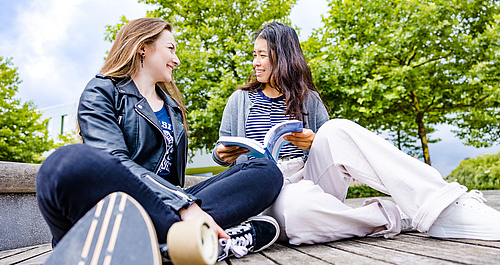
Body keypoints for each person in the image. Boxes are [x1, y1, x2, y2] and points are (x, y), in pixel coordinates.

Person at [212, 22, 500, 245]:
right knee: (297, 216)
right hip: (267, 190)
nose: (256, 62)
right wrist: (223, 154)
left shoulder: (308, 99)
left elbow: (331, 150)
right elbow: (222, 150)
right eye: (255, 55)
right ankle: (393, 216)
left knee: (335, 129)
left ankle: (443, 204)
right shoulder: (240, 101)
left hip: (308, 176)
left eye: (263, 55)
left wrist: (314, 141)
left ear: (283, 57)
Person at [36, 18, 284, 261]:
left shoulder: (173, 109)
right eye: (171, 48)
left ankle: (172, 245)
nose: (176, 60)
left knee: (265, 171)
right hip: (117, 207)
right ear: (143, 47)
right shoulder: (101, 91)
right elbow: (112, 159)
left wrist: (182, 202)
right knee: (64, 162)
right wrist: (184, 205)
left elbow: (173, 182)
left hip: (165, 209)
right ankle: (188, 243)